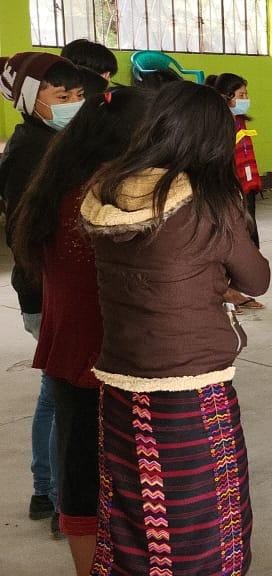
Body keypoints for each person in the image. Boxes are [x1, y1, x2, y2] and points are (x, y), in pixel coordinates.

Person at [80, 81, 269, 576]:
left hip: (121, 382)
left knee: (130, 510)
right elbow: (258, 278)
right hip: (191, 387)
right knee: (205, 516)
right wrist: (221, 279)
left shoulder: (108, 190)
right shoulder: (207, 203)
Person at [12, 86, 153, 574]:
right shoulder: (116, 194)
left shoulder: (56, 184)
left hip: (70, 354)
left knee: (82, 478)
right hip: (114, 360)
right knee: (126, 485)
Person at [0, 51, 85, 538]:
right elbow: (29, 234)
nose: (75, 103)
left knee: (55, 392)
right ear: (32, 99)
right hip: (47, 290)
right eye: (62, 96)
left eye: (78, 95)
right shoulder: (34, 148)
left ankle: (44, 488)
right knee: (60, 395)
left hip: (52, 288)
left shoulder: (51, 139)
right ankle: (55, 496)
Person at [208, 72, 265, 312]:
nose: (246, 99)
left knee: (248, 240)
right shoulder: (216, 124)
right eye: (241, 95)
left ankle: (234, 290)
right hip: (226, 191)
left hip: (246, 188)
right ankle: (224, 293)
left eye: (246, 94)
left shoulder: (240, 121)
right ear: (227, 97)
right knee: (228, 243)